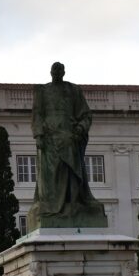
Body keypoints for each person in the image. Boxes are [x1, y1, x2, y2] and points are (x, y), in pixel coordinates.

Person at [28, 61, 107, 230]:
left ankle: (73, 202)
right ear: (50, 72)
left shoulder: (74, 90)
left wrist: (80, 129)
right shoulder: (42, 91)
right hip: (49, 139)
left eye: (60, 70)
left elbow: (86, 115)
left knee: (71, 171)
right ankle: (53, 206)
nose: (56, 73)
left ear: (64, 72)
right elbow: (37, 114)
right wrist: (39, 135)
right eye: (54, 70)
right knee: (52, 175)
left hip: (70, 137)